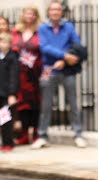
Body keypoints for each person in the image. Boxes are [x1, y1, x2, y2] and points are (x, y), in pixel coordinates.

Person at [31, 0, 87, 149]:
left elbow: (77, 44)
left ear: (61, 12)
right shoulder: (42, 27)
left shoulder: (68, 26)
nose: (55, 12)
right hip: (49, 69)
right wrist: (64, 56)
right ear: (48, 12)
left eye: (58, 9)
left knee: (73, 102)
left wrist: (64, 60)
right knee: (46, 104)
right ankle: (42, 135)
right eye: (52, 10)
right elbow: (44, 47)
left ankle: (78, 134)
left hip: (66, 69)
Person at [11, 5, 42, 145]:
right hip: (19, 73)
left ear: (36, 16)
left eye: (33, 14)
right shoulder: (15, 32)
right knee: (22, 103)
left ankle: (35, 132)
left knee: (36, 103)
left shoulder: (40, 31)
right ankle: (23, 134)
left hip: (36, 73)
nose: (30, 16)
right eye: (27, 13)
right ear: (23, 15)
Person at [0, 32, 20, 152]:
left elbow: (14, 77)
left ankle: (8, 142)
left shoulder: (12, 58)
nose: (1, 44)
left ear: (10, 44)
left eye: (3, 42)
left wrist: (12, 94)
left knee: (6, 119)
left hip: (6, 95)